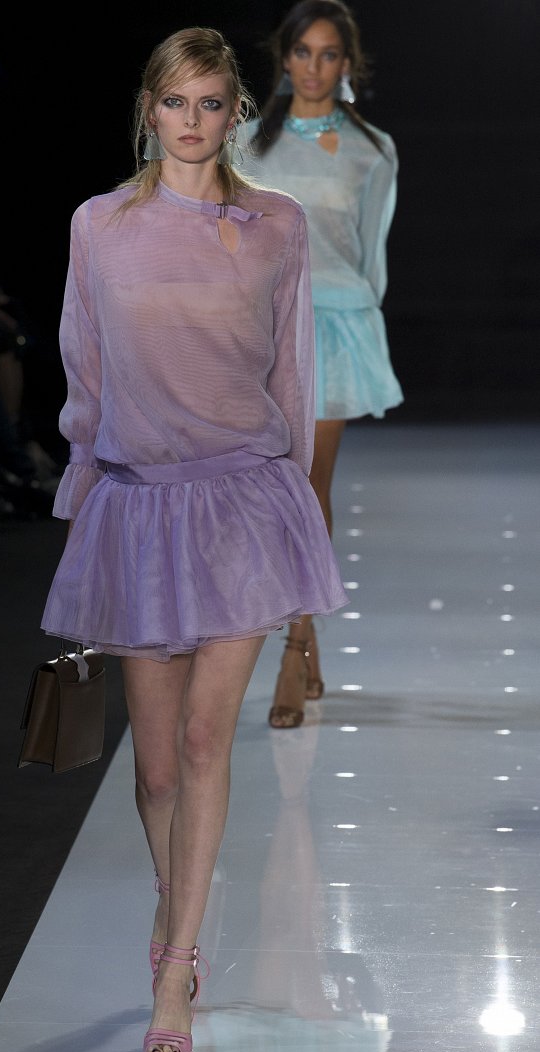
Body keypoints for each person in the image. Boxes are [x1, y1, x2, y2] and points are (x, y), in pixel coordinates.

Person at [39, 26, 347, 1052]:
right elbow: (83, 367)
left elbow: (292, 373)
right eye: (175, 101)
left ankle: (176, 965)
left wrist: (299, 502)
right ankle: (175, 908)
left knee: (210, 744)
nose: (192, 120)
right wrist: (83, 494)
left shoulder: (277, 225)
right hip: (139, 507)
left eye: (211, 102)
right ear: (148, 109)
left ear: (235, 114)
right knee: (159, 766)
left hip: (244, 504)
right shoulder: (99, 225)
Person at [241, 0, 403, 728]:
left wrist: (359, 317)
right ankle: (279, 637)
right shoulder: (245, 143)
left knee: (308, 488)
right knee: (253, 493)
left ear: (348, 63)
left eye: (328, 53)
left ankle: (295, 644)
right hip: (255, 332)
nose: (314, 66)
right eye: (302, 51)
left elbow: (371, 254)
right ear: (284, 58)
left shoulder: (374, 150)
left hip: (331, 328)